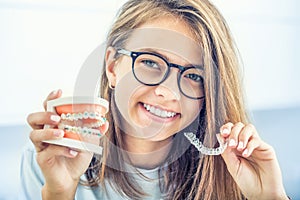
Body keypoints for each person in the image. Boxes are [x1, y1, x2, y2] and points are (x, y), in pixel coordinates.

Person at [21, 0, 289, 199]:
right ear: (113, 66)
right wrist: (60, 192)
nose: (169, 92)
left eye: (194, 76)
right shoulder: (48, 159)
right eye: (150, 62)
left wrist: (270, 197)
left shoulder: (232, 171)